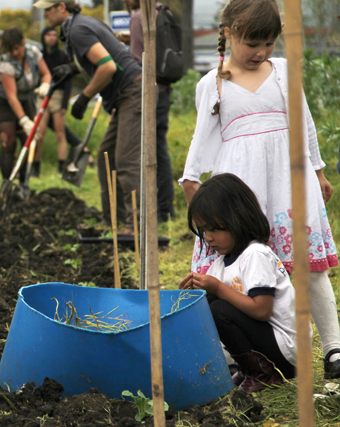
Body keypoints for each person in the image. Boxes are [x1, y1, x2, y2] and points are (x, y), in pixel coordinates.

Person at [179, 0, 340, 379]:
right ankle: (237, 357)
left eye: (269, 43)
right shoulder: (213, 82)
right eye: (253, 43)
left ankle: (333, 348)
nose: (262, 52)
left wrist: (317, 171)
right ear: (229, 33)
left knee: (306, 266)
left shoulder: (283, 71)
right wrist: (192, 182)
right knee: (238, 269)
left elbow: (305, 122)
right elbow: (201, 140)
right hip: (242, 186)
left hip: (290, 179)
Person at [180, 173, 299, 393]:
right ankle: (248, 368)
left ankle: (262, 373)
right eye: (203, 231)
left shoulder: (255, 255)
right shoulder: (220, 264)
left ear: (238, 220)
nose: (208, 237)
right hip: (269, 347)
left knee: (219, 307)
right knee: (210, 302)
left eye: (214, 229)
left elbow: (262, 310)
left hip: (287, 353)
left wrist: (218, 288)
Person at [36, 0, 142, 233]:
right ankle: (112, 221)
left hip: (133, 92)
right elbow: (102, 54)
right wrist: (73, 69)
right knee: (106, 156)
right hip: (125, 94)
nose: (44, 14)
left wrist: (84, 97)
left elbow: (107, 66)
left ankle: (136, 227)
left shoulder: (77, 29)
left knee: (125, 159)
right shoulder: (81, 23)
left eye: (47, 9)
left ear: (62, 7)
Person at [121, 0, 175, 222]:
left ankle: (157, 211)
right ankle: (166, 209)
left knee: (149, 153)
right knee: (160, 151)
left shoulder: (137, 17)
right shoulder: (162, 12)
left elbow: (137, 58)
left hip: (149, 91)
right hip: (164, 88)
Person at [0, 27, 51, 180]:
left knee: (28, 142)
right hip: (3, 103)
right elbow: (12, 97)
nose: (15, 53)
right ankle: (7, 183)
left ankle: (23, 183)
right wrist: (24, 120)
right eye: (11, 50)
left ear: (23, 42)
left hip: (26, 100)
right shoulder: (6, 64)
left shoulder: (33, 53)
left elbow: (46, 73)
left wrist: (45, 84)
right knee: (9, 142)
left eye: (17, 48)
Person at [34, 26, 72, 176]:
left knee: (60, 134)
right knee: (39, 134)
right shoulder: (39, 56)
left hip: (57, 95)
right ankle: (35, 167)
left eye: (54, 35)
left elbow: (68, 81)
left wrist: (64, 104)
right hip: (42, 94)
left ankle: (62, 166)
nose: (51, 38)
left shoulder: (62, 56)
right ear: (43, 37)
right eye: (48, 35)